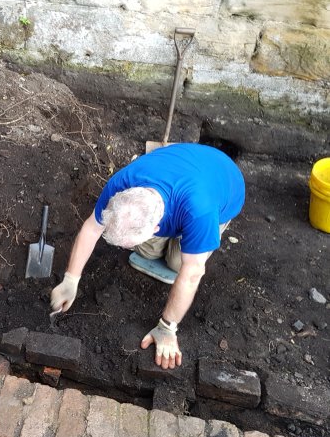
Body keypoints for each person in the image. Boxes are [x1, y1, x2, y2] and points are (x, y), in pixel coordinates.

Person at [50, 143, 245, 369]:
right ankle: (168, 241)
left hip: (223, 185)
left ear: (155, 228)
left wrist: (167, 327)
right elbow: (92, 228)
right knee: (146, 251)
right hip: (181, 166)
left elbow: (193, 273)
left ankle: (185, 240)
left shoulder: (200, 211)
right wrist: (71, 279)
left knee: (177, 263)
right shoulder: (121, 186)